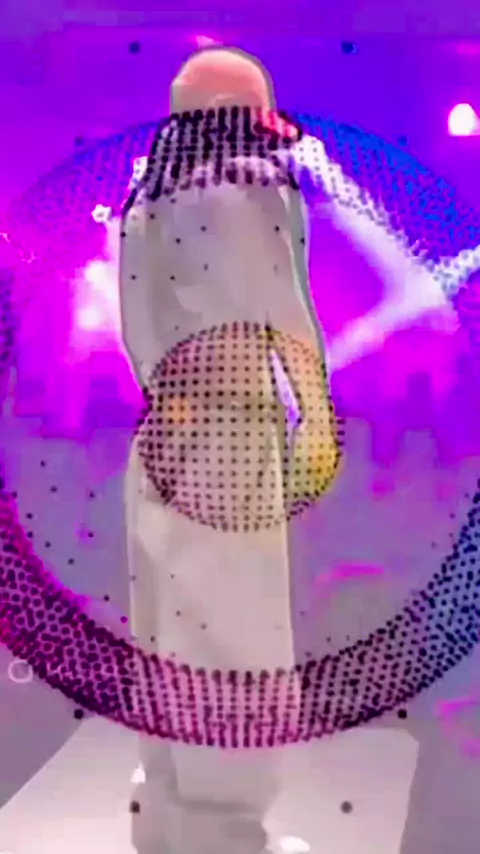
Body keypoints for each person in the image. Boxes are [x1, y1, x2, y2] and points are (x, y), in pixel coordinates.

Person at [119, 44, 339, 854]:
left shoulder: (146, 196)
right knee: (234, 632)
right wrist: (316, 413)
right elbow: (280, 308)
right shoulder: (243, 185)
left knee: (166, 629)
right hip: (229, 434)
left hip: (162, 433)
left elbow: (135, 327)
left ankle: (169, 814)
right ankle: (225, 833)